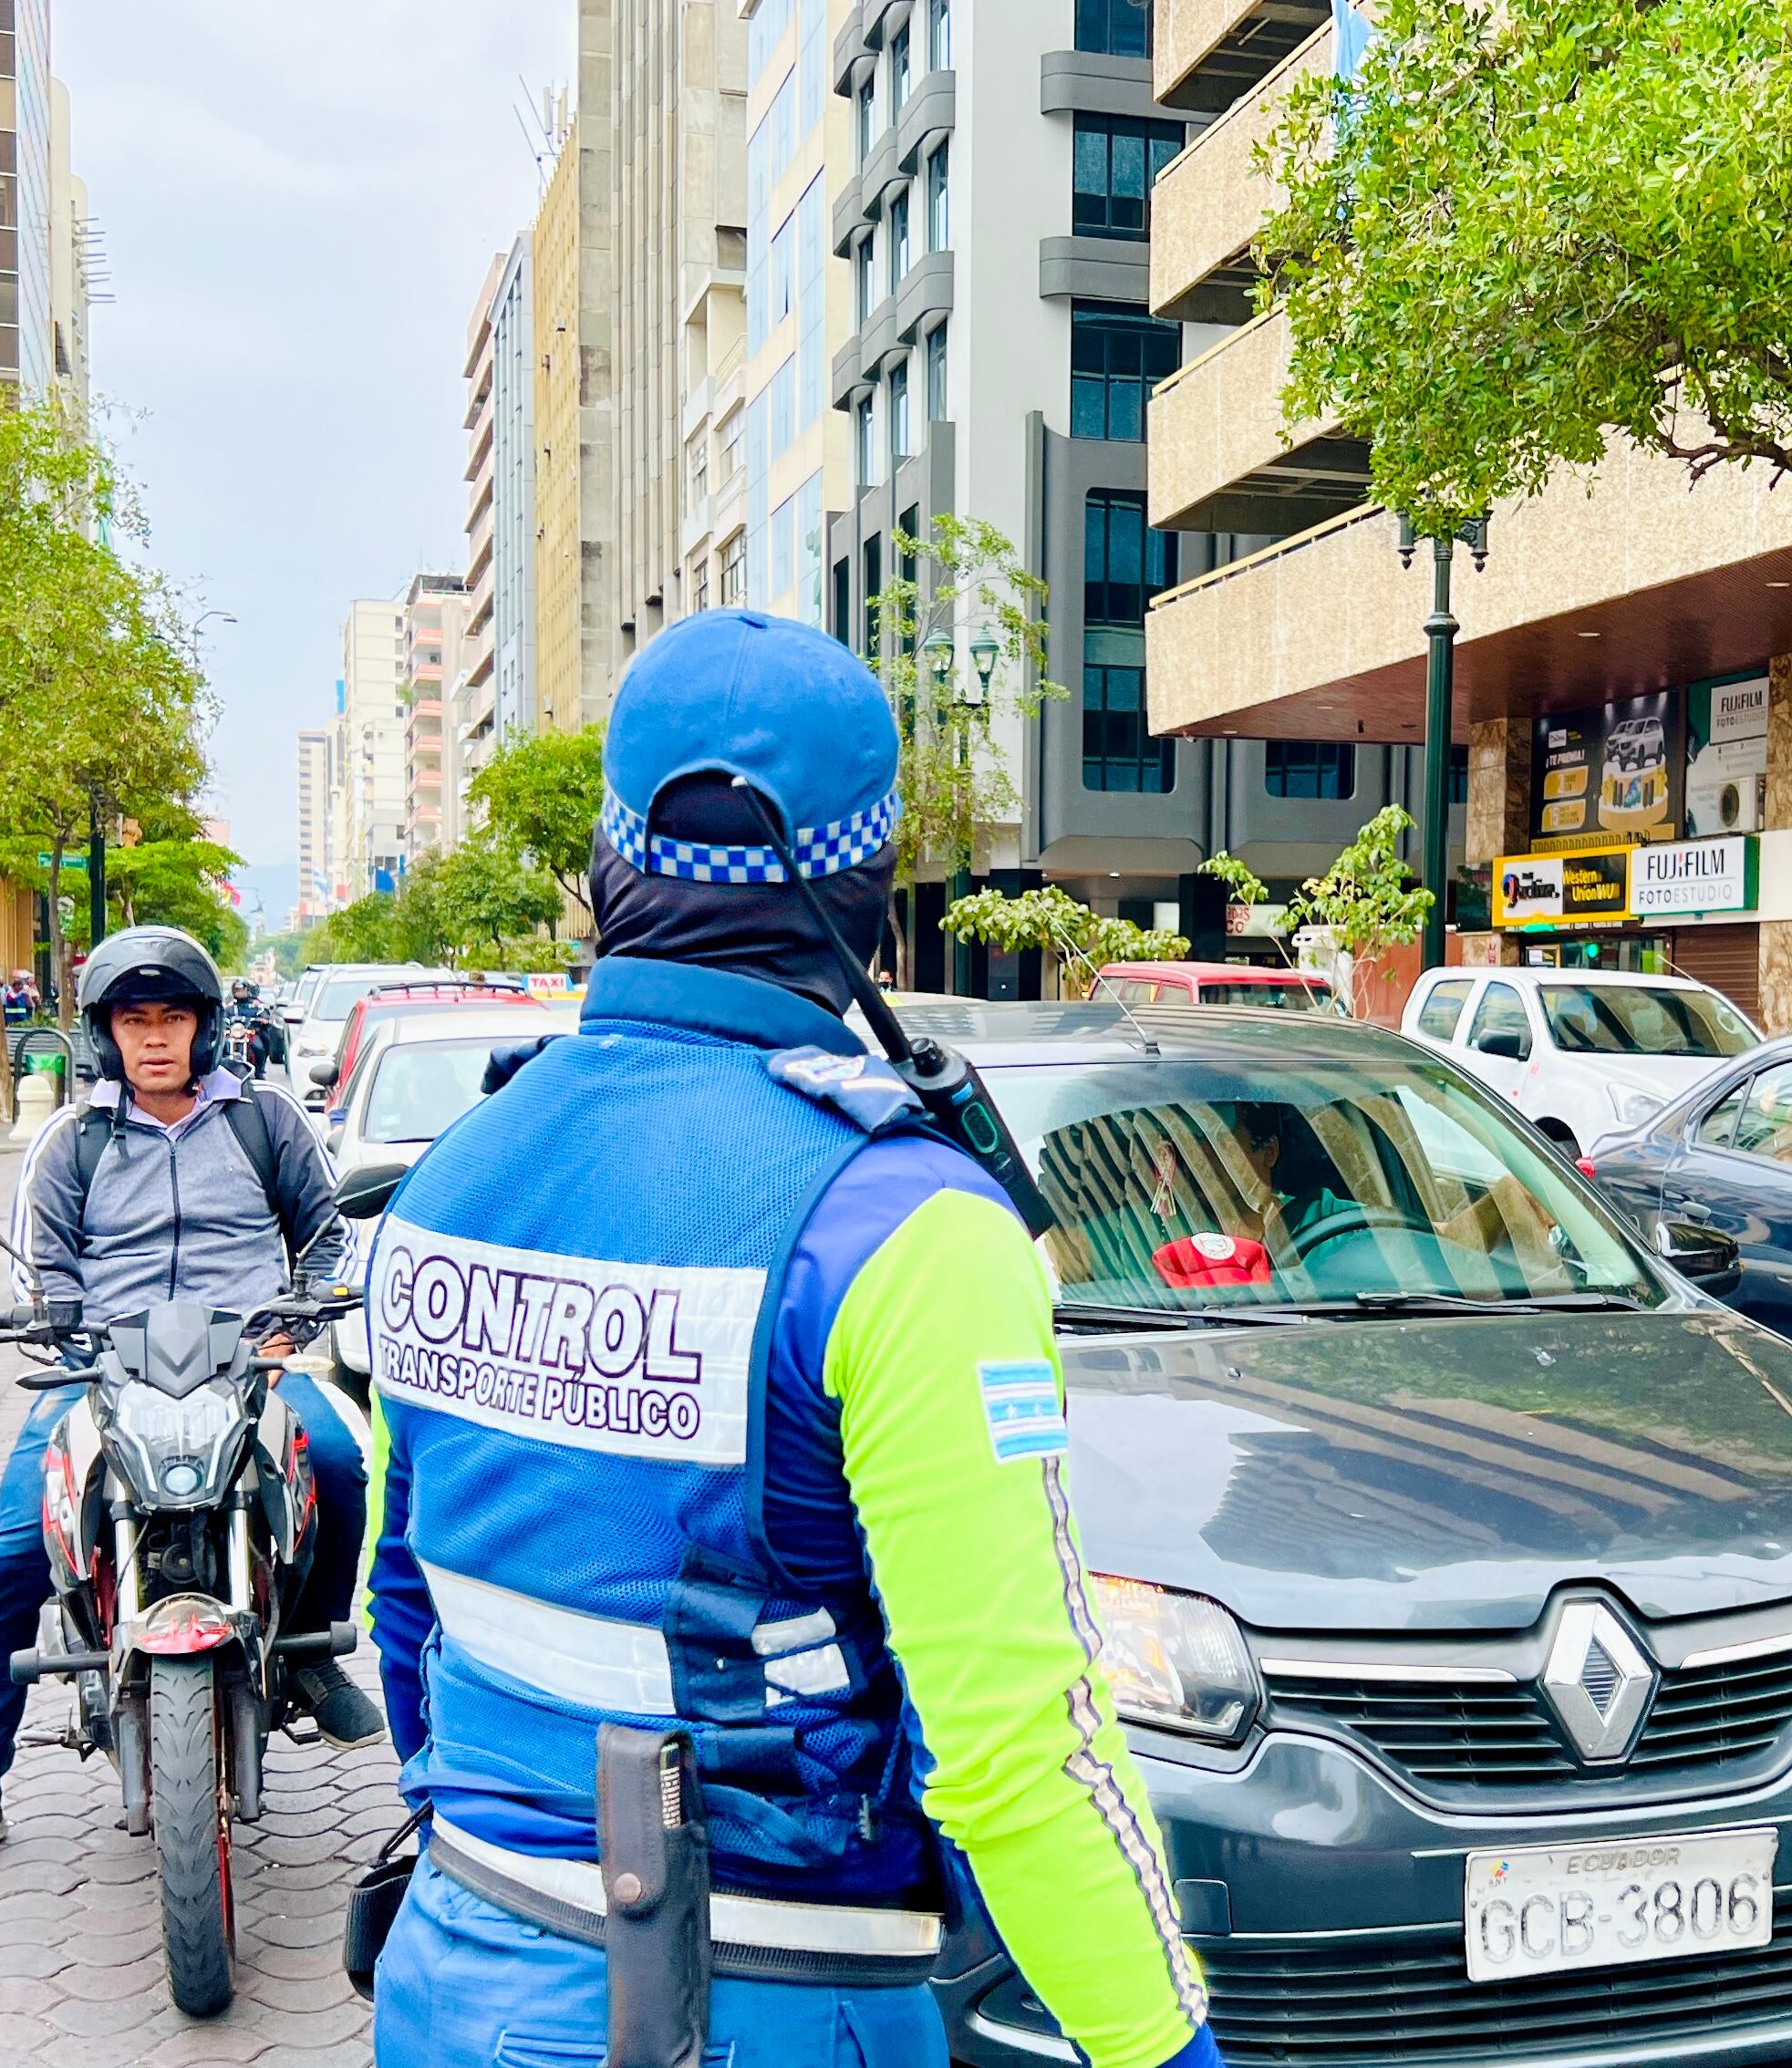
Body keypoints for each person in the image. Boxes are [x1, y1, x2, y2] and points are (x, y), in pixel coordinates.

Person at [360, 610, 1225, 2068]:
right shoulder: (902, 1224)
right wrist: (1162, 2049)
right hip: (767, 2002)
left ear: (605, 871)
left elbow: (404, 1603)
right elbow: (1018, 1752)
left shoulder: (450, 1179)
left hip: (455, 1972)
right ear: (873, 898)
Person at [0, 924, 388, 1884]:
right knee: (7, 1558)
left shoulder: (265, 1120)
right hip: (105, 1376)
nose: (154, 1037)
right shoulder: (71, 1141)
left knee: (337, 1460)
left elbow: (327, 1242)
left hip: (247, 1366)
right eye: (132, 1019)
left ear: (205, 1027)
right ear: (105, 1034)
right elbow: (46, 1269)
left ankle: (316, 1653)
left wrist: (288, 1337)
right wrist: (63, 1338)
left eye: (173, 1017)